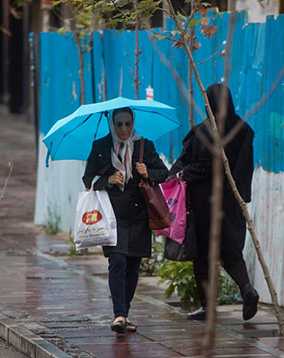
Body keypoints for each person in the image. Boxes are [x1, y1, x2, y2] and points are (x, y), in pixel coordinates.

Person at [170, 83, 259, 321]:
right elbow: (244, 168)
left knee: (201, 254)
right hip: (232, 202)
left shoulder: (204, 131)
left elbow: (199, 165)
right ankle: (246, 288)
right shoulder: (244, 130)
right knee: (230, 252)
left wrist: (178, 175)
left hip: (203, 204)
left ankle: (207, 307)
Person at [83, 107, 169, 334]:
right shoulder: (101, 147)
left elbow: (164, 173)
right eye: (119, 124)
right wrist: (107, 179)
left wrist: (148, 172)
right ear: (112, 124)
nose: (123, 129)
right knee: (118, 261)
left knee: (132, 267)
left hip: (139, 215)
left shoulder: (144, 146)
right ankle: (119, 313)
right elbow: (87, 178)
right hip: (112, 215)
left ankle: (124, 314)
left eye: (127, 124)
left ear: (133, 123)